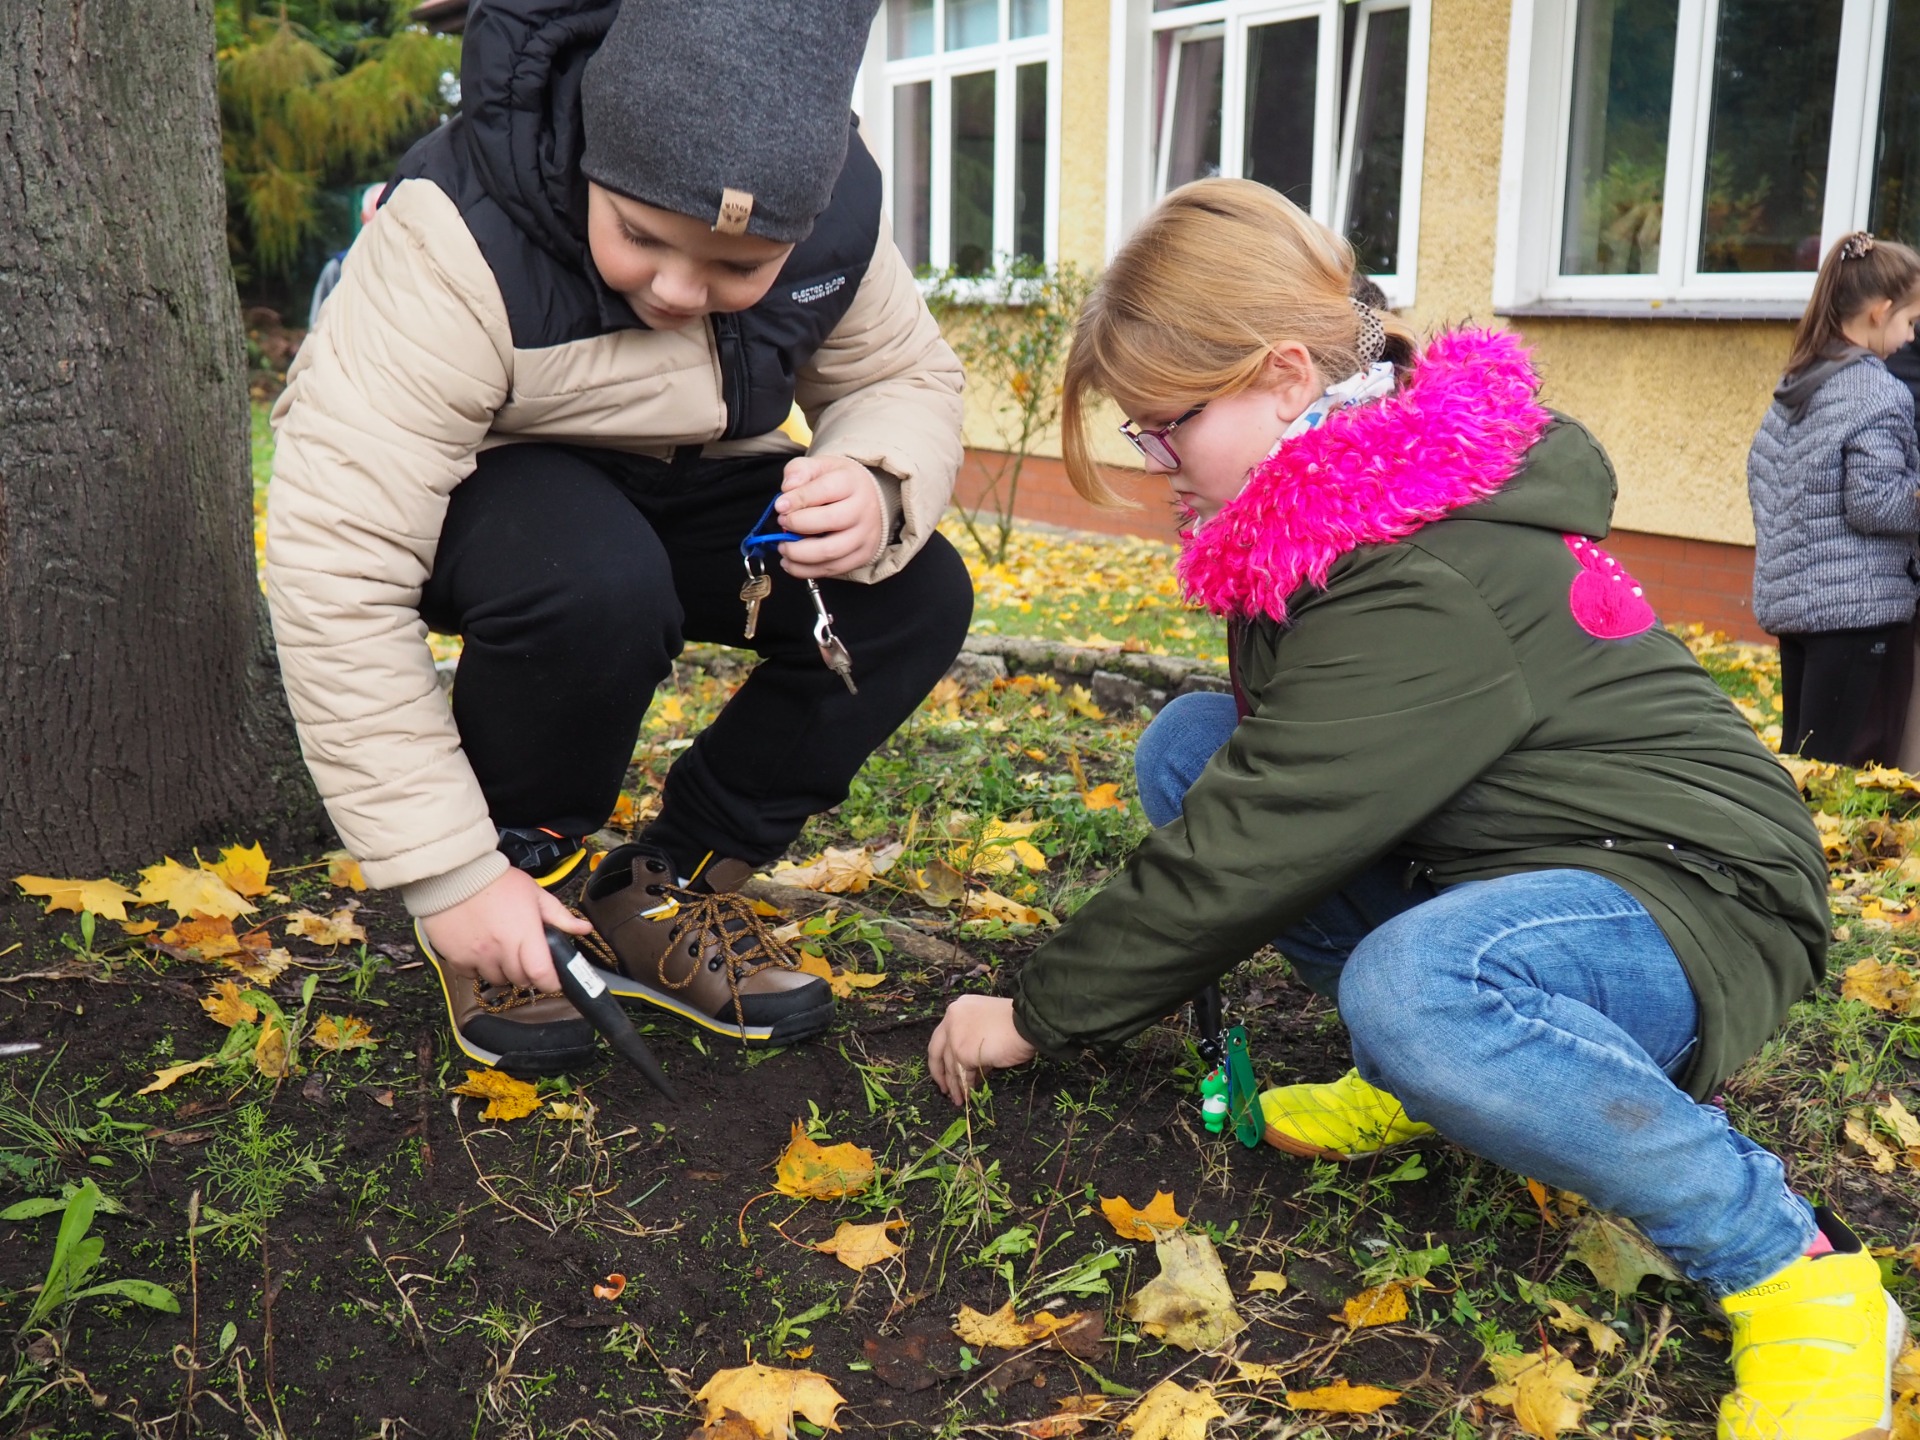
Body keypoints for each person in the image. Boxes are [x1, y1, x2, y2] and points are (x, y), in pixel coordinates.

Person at [926, 180, 1904, 1437]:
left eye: (1163, 427)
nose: (1152, 461)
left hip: (1692, 898)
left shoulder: (1410, 567)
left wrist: (1038, 1012)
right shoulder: (1362, 501)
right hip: (1545, 853)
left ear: (1284, 379)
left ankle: (1794, 1270)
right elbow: (1272, 783)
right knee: (1192, 746)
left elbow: (1259, 840)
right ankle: (1424, 1071)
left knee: (1414, 983)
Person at [267, 0, 971, 1077]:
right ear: (594, 154)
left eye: (739, 269)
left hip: (683, 481)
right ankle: (517, 886)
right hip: (497, 502)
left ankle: (661, 890)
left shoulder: (834, 214)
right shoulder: (456, 230)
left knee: (910, 592)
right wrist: (449, 874)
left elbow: (896, 375)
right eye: (640, 237)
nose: (681, 292)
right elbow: (337, 563)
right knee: (592, 577)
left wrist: (875, 479)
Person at [1748, 231, 1920, 767]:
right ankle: (1814, 852)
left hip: (1796, 600)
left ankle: (1778, 842)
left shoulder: (1801, 379)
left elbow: (1760, 472)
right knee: (1835, 767)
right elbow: (1873, 503)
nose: (1911, 338)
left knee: (1799, 752)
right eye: (1911, 323)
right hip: (1853, 608)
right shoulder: (1877, 389)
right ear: (1880, 312)